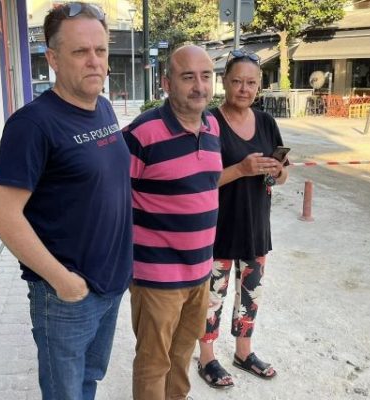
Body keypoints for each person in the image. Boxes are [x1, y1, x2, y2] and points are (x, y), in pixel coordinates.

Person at [0, 3, 132, 399]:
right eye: (80, 51)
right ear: (52, 59)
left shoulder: (102, 107)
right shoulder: (31, 125)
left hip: (110, 284)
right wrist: (63, 281)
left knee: (89, 380)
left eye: (100, 50)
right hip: (66, 296)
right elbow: (2, 215)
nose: (94, 61)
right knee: (65, 393)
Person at [123, 44, 223, 400]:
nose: (199, 86)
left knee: (181, 356)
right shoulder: (142, 133)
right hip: (156, 277)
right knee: (154, 363)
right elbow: (114, 200)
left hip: (200, 273)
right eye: (188, 77)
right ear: (166, 83)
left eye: (206, 76)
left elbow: (206, 186)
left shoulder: (212, 125)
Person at [196, 49, 289, 389]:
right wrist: (240, 169)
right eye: (237, 81)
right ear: (224, 82)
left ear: (259, 86)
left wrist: (277, 171)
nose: (244, 89)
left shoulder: (266, 122)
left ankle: (243, 352)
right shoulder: (208, 122)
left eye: (251, 83)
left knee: (251, 294)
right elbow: (199, 179)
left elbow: (284, 175)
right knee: (212, 297)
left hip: (256, 225)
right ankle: (207, 357)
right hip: (218, 227)